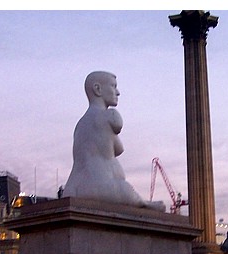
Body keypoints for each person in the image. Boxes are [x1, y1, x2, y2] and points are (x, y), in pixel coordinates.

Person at [63, 71, 164, 211]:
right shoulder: (110, 116)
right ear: (97, 89)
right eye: (113, 86)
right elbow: (120, 148)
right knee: (126, 190)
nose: (118, 92)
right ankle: (144, 204)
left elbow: (114, 148)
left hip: (77, 187)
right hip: (101, 188)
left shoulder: (81, 124)